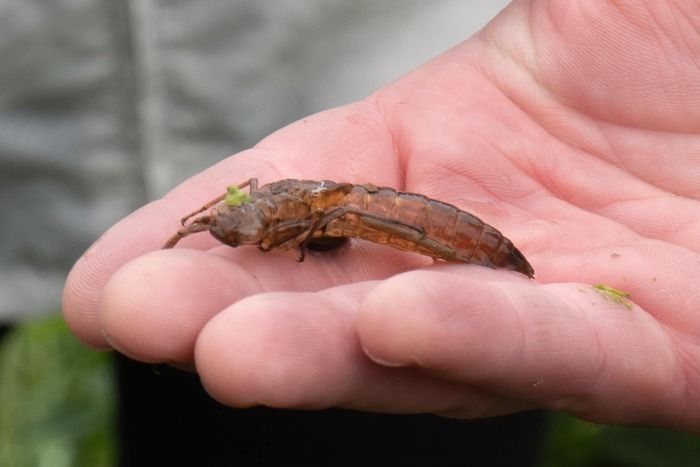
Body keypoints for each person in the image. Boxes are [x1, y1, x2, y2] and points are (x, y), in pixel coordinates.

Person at [62, 0, 699, 462]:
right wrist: (197, 230)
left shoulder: (308, 214)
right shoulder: (270, 212)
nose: (226, 225)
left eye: (230, 222)